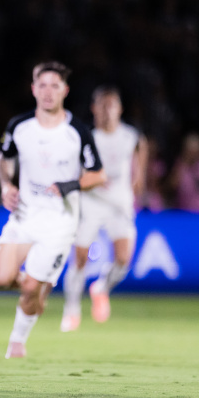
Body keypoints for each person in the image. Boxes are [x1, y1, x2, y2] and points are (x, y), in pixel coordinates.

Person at [0, 61, 106, 359]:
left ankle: (17, 343)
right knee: (0, 280)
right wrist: (5, 185)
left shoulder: (77, 131)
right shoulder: (19, 126)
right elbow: (4, 158)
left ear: (65, 90)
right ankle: (36, 289)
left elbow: (98, 174)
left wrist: (70, 185)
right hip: (24, 215)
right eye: (42, 85)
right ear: (33, 89)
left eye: (55, 85)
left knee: (30, 289)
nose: (48, 92)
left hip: (59, 223)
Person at [61, 86, 147, 331]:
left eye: (112, 105)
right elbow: (75, 172)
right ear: (94, 108)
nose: (108, 110)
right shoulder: (87, 137)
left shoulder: (131, 137)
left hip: (120, 204)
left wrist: (139, 184)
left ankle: (101, 288)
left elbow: (141, 156)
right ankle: (72, 309)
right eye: (103, 105)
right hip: (92, 202)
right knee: (80, 259)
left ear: (120, 109)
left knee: (123, 260)